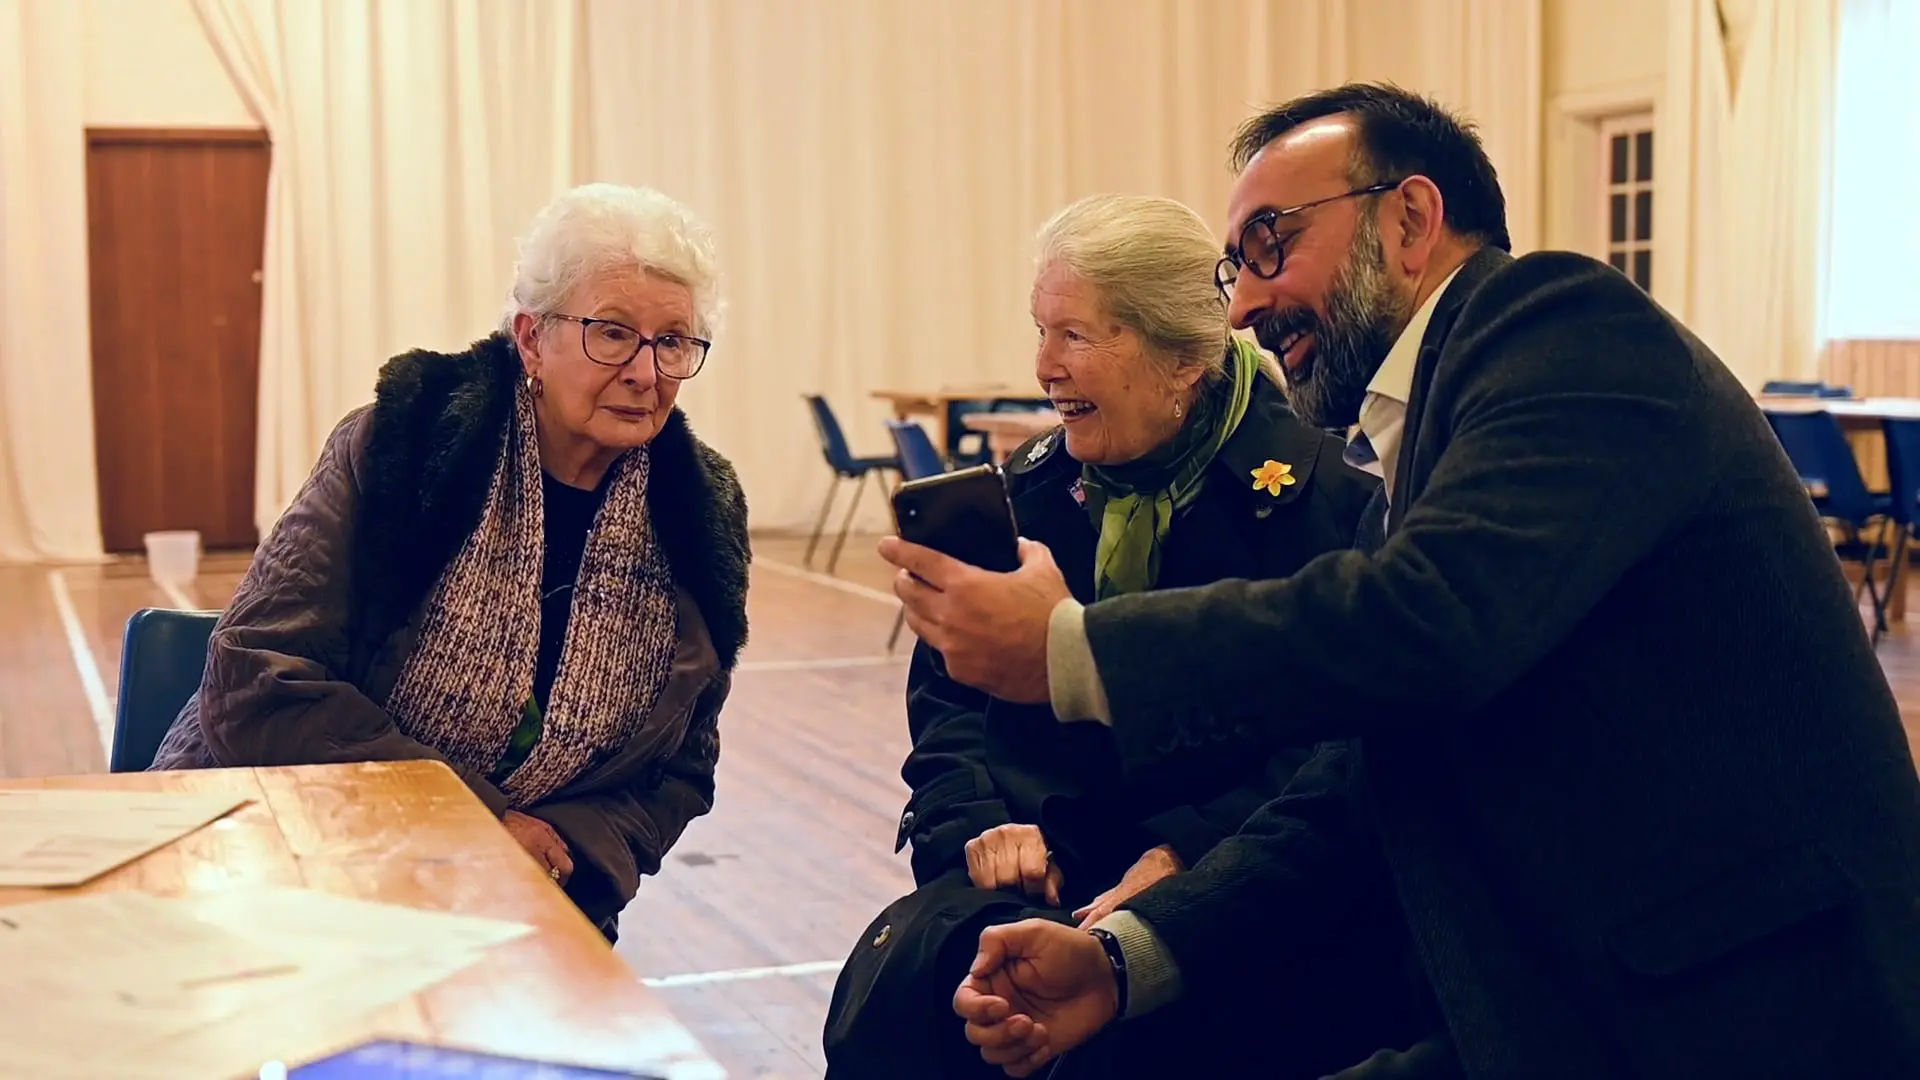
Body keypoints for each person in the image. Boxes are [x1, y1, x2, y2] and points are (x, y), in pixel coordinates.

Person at [883, 83, 1920, 1078]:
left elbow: (1428, 623)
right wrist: (1126, 960)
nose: (1243, 305)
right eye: (1229, 270)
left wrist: (1071, 652)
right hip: (1583, 991)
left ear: (1411, 218)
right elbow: (1357, 777)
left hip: (1755, 1006)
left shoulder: (1561, 324)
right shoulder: (1419, 444)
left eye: (1269, 246)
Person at [823, 194, 1383, 1079]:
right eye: (1041, 331)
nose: (1043, 367)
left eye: (1076, 336)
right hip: (1041, 867)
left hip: (1237, 893)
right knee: (929, 987)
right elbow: (949, 697)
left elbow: (1335, 751)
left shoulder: (1323, 503)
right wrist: (985, 823)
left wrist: (1187, 859)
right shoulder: (1033, 489)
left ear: (1184, 359)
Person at [151, 182, 751, 945]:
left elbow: (680, 769)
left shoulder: (701, 510)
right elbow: (256, 678)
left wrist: (561, 856)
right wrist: (479, 821)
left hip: (526, 896)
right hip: (288, 853)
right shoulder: (409, 440)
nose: (645, 370)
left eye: (672, 341)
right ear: (531, 339)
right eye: (611, 332)